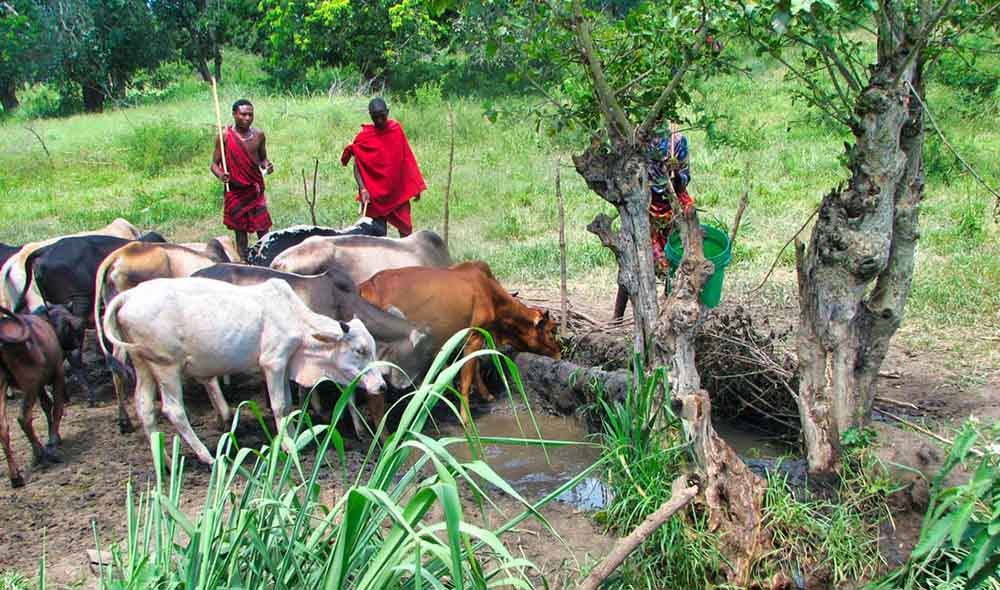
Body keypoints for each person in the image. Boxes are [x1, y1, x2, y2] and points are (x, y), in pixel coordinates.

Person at [613, 122, 696, 320]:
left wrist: (675, 174)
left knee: (676, 261)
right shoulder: (638, 139)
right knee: (631, 261)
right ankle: (618, 316)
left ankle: (668, 312)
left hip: (671, 204)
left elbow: (683, 179)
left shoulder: (677, 140)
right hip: (643, 204)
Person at [341, 97, 426, 237]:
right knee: (377, 234)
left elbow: (407, 159)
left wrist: (415, 185)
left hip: (398, 191)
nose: (379, 120)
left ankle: (405, 258)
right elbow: (357, 165)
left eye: (382, 116)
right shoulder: (364, 137)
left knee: (406, 231)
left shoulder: (396, 130)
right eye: (375, 117)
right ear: (370, 116)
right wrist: (362, 189)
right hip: (375, 195)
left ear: (388, 112)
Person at [211, 98, 274, 261]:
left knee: (263, 229)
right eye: (243, 114)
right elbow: (214, 164)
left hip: (255, 190)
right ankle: (244, 263)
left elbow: (263, 158)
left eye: (250, 115)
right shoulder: (225, 136)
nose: (247, 118)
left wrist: (267, 165)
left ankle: (264, 259)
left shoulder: (259, 135)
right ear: (234, 114)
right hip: (236, 192)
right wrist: (221, 175)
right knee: (240, 233)